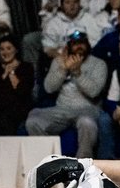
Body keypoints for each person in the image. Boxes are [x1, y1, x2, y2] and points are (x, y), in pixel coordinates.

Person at [25, 29, 107, 159]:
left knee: (87, 123)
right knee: (33, 121)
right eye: (75, 44)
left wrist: (77, 73)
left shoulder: (98, 64)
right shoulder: (59, 61)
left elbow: (94, 92)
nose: (79, 46)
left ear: (88, 45)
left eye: (82, 43)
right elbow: (49, 88)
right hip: (62, 109)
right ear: (69, 46)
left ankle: (83, 163)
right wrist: (63, 69)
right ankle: (51, 162)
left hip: (88, 109)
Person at [0, 35, 34, 135]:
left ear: (16, 50)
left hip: (19, 109)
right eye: (2, 49)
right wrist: (4, 74)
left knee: (6, 119)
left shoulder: (26, 67)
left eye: (9, 48)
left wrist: (12, 73)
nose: (5, 52)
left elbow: (22, 91)